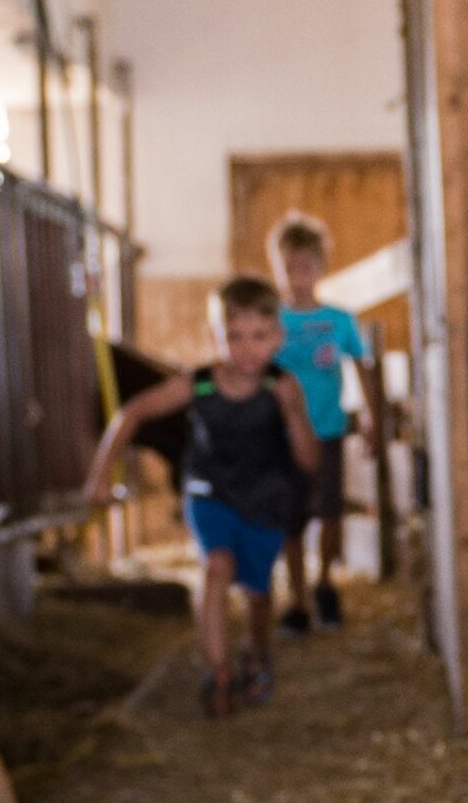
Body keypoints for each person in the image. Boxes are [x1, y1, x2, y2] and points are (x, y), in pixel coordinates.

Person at [84, 277, 318, 717]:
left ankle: (256, 649)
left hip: (265, 497)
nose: (247, 348)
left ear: (278, 338)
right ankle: (219, 671)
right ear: (214, 338)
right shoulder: (201, 384)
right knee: (216, 567)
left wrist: (293, 412)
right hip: (209, 493)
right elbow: (132, 412)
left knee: (258, 593)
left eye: (259, 336)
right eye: (234, 336)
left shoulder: (282, 388)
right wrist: (100, 474)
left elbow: (307, 460)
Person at [267, 216, 369, 632]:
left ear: (321, 267)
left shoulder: (340, 320)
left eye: (307, 266)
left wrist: (371, 417)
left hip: (327, 430)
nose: (298, 276)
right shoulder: (271, 321)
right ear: (279, 269)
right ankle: (296, 597)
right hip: (281, 436)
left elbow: (363, 367)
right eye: (290, 267)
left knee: (330, 512)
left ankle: (326, 583)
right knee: (289, 517)